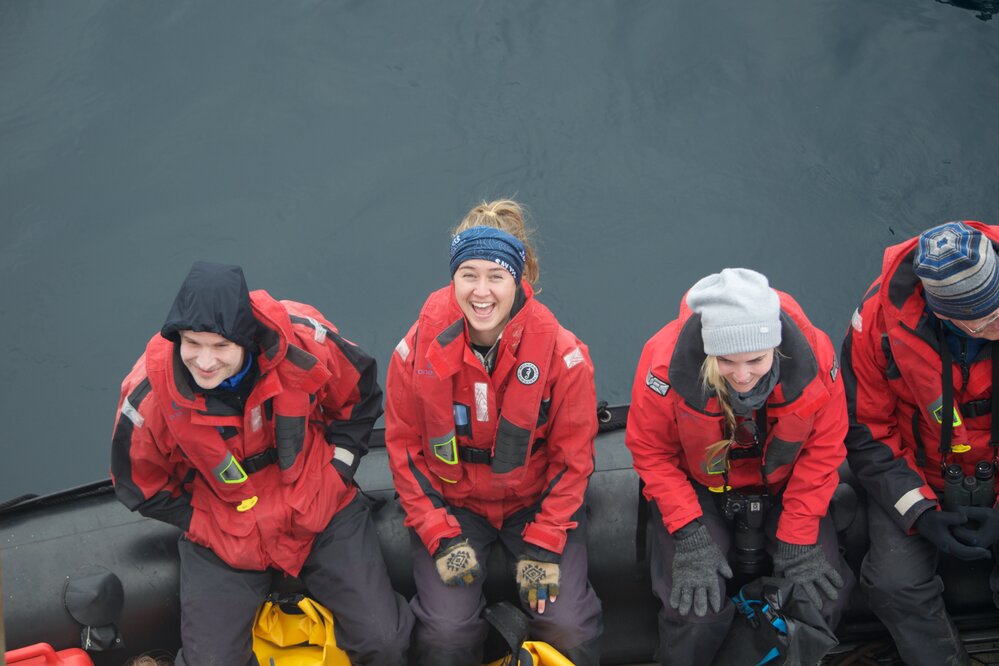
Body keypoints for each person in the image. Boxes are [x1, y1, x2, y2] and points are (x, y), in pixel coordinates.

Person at [110, 261, 413, 666]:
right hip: (225, 533)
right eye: (192, 344)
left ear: (247, 338)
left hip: (320, 509)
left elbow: (360, 398)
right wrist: (202, 521)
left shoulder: (305, 342)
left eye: (220, 346)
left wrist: (337, 474)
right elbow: (138, 484)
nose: (203, 361)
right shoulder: (148, 394)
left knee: (384, 642)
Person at [384, 200, 603, 665]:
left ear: (518, 279)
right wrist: (440, 535)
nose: (481, 292)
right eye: (469, 274)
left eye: (496, 276)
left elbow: (573, 460)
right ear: (453, 277)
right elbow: (404, 453)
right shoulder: (413, 353)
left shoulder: (564, 358)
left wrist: (545, 541)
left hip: (535, 507)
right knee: (445, 631)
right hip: (456, 507)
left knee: (569, 624)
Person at [626, 267, 855, 666]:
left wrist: (799, 539)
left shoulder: (817, 356)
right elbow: (651, 451)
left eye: (756, 359)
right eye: (726, 361)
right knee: (694, 612)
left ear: (777, 347)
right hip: (701, 491)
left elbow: (824, 446)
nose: (744, 376)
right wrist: (691, 536)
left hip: (786, 488)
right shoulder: (663, 364)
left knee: (822, 596)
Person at [842, 220, 999, 665]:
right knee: (893, 584)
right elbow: (867, 430)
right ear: (945, 314)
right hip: (919, 475)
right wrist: (921, 514)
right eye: (988, 319)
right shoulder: (875, 325)